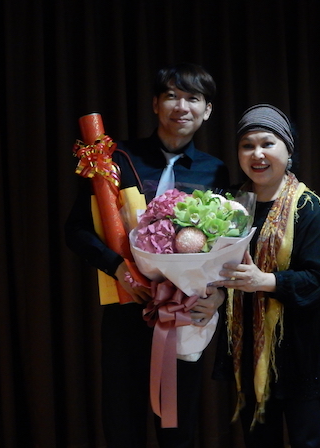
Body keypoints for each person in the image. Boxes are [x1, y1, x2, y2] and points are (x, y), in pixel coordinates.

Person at [65, 63, 230, 448]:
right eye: (172, 96)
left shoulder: (215, 171)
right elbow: (76, 230)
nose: (182, 107)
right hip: (127, 309)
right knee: (121, 424)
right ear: (156, 104)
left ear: (207, 110)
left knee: (177, 426)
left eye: (193, 99)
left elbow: (225, 249)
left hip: (184, 316)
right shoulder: (117, 159)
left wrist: (219, 295)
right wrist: (118, 267)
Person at [209, 104, 320, 448]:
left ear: (288, 150)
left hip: (302, 349)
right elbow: (216, 269)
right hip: (249, 347)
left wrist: (263, 281)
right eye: (247, 145)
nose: (257, 154)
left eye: (267, 143)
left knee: (310, 441)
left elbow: (319, 278)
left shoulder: (307, 206)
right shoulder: (230, 206)